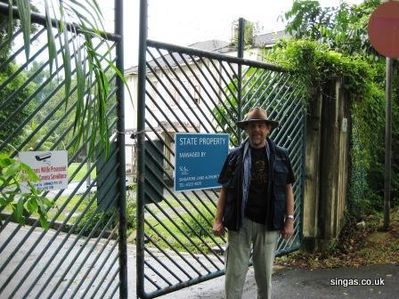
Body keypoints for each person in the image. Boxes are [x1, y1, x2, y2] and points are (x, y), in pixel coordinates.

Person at [212, 106, 295, 299]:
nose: (256, 130)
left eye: (260, 125)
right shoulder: (234, 156)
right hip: (239, 222)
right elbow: (224, 190)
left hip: (268, 223)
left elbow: (288, 189)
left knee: (264, 275)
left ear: (268, 129)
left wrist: (289, 220)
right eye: (252, 126)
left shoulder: (281, 155)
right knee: (234, 275)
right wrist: (218, 220)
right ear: (246, 130)